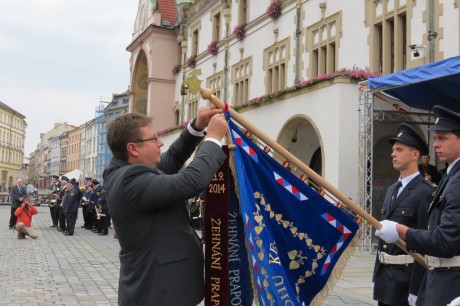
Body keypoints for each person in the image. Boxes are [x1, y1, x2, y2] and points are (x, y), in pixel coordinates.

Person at [103, 108, 228, 305]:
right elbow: (192, 181)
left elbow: (173, 157)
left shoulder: (125, 169)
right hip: (159, 293)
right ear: (133, 149)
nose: (160, 143)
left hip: (164, 289)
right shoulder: (129, 180)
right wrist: (213, 139)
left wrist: (197, 126)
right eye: (153, 139)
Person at [376, 105, 460, 306]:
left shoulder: (452, 181)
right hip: (435, 279)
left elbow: (444, 241)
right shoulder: (450, 176)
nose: (435, 145)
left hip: (449, 281)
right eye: (435, 138)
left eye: (443, 138)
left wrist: (401, 230)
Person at [373, 123, 435, 306]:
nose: (393, 154)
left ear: (415, 154)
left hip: (406, 281)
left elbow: (425, 243)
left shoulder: (426, 192)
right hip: (385, 279)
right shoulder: (392, 189)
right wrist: (377, 277)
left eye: (399, 150)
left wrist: (416, 289)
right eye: (393, 150)